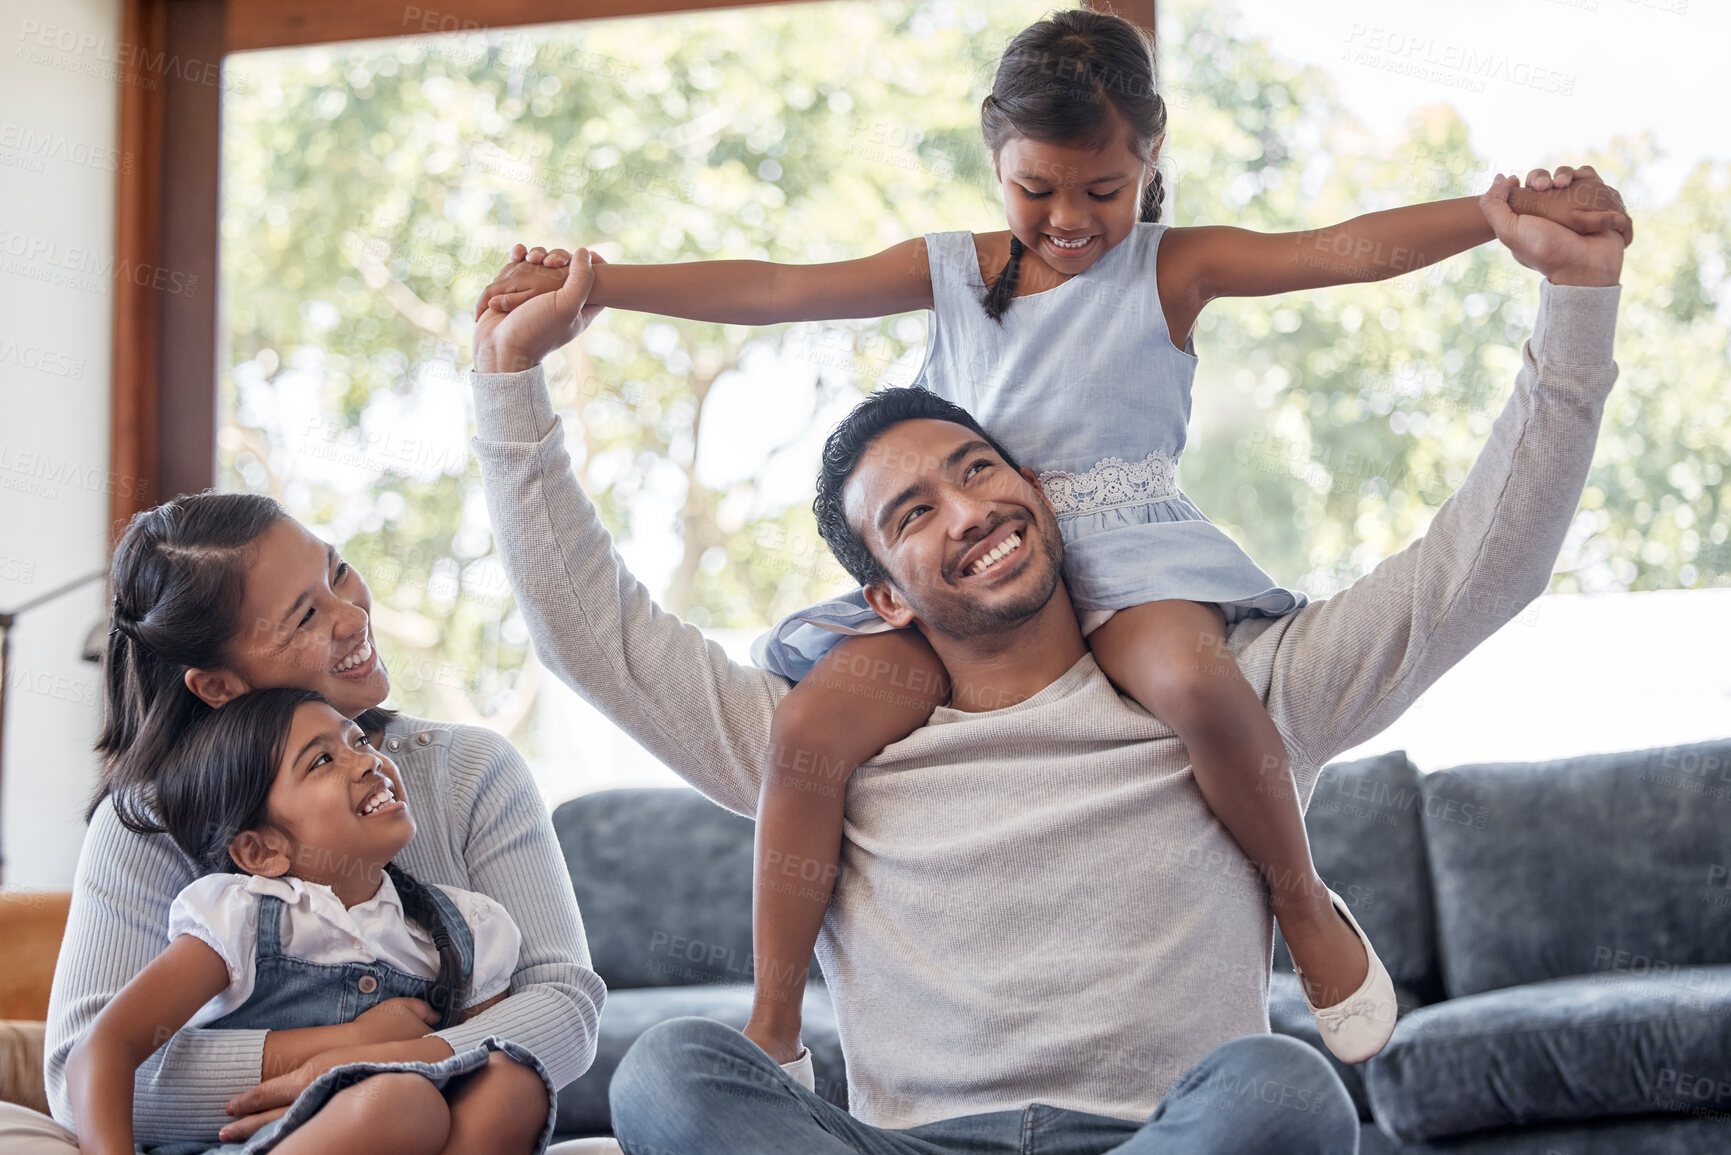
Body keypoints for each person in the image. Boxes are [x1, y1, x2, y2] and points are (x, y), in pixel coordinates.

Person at [473, 8, 1624, 1071]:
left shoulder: (1169, 268)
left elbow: (1332, 251)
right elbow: (781, 288)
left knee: (1199, 687)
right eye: (1038, 192)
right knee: (810, 732)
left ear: (1151, 167)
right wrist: (605, 287)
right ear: (994, 162)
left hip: (1131, 563)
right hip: (964, 604)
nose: (1072, 223)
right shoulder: (954, 273)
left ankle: (1308, 916)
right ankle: (774, 1023)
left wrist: (1492, 220)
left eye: (1105, 192)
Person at [2, 492, 605, 1153]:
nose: (352, 615)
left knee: (499, 1088)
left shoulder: (474, 771)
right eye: (304, 617)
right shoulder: (151, 822)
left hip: (432, 1111)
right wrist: (334, 1051)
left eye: (338, 570)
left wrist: (400, 1055)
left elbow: (564, 1005)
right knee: (400, 1108)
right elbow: (81, 1069)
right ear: (219, 685)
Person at [65, 689, 554, 1155]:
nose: (367, 759)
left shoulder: (466, 926)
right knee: (403, 1105)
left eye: (358, 740)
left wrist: (401, 1051)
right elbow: (104, 1046)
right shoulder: (244, 918)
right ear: (262, 850)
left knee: (514, 1084)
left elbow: (481, 1057)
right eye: (322, 760)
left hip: (406, 1125)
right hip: (249, 1143)